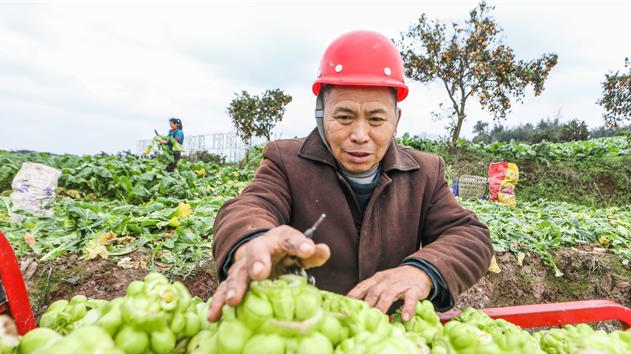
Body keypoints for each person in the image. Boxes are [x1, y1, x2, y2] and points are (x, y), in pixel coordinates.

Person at [208, 30, 493, 323]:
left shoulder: (424, 174)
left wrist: (423, 271)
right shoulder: (287, 162)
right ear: (321, 115)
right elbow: (250, 206)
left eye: (376, 119)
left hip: (386, 337)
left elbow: (469, 235)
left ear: (396, 120)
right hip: (303, 332)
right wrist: (253, 240)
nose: (359, 135)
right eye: (344, 117)